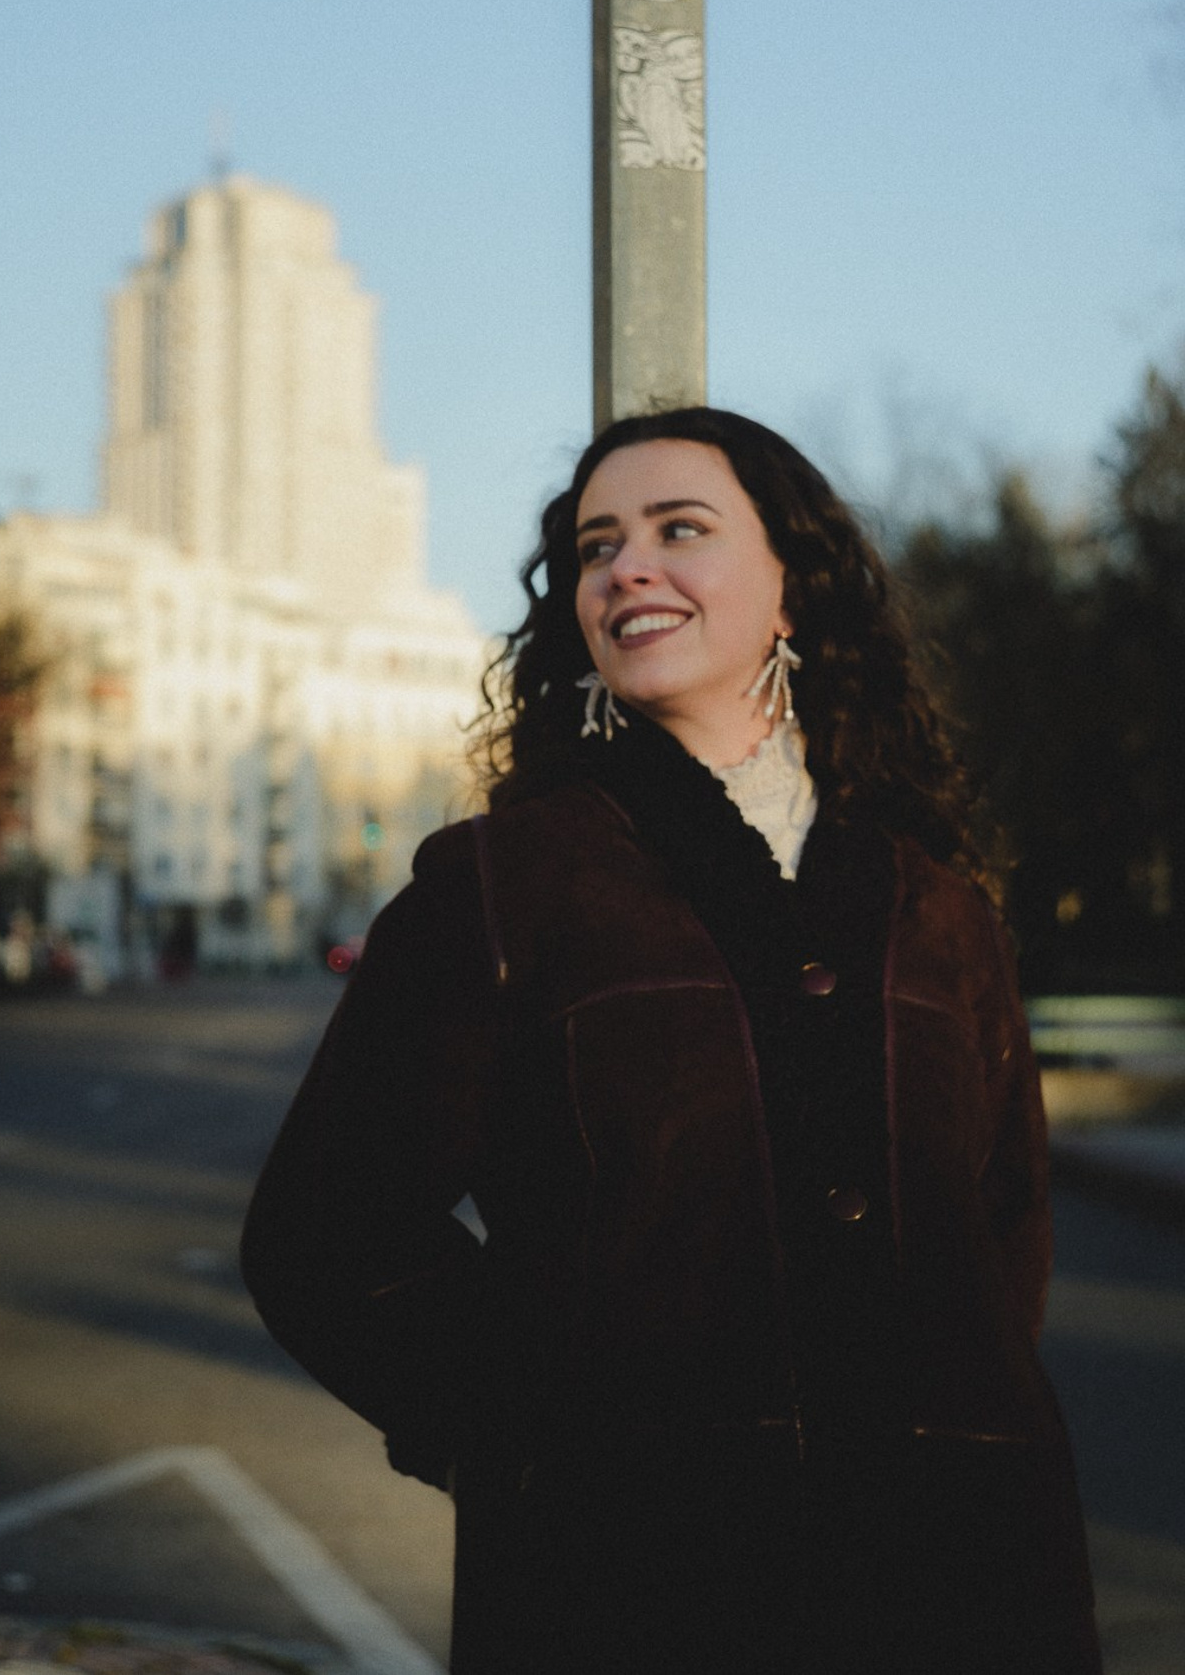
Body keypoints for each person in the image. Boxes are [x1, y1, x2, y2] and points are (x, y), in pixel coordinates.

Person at [241, 407, 1101, 1674]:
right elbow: (326, 1232)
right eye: (596, 548)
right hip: (633, 1593)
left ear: (791, 590)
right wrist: (537, 1434)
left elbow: (999, 1237)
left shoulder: (938, 910)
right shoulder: (506, 884)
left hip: (967, 1585)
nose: (625, 568)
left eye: (677, 530)